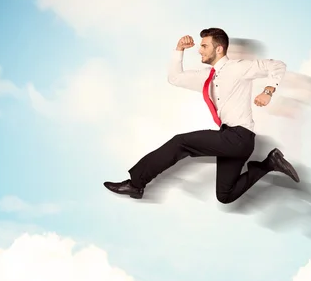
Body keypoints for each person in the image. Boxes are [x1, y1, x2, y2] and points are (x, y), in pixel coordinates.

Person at [103, 28, 300, 204]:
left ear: (219, 49)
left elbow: (278, 65)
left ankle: (136, 184)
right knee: (225, 196)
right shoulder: (206, 76)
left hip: (238, 137)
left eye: (204, 46)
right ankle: (269, 163)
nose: (200, 50)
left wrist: (268, 91)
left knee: (180, 142)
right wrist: (178, 50)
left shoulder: (239, 67)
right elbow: (175, 78)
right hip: (234, 141)